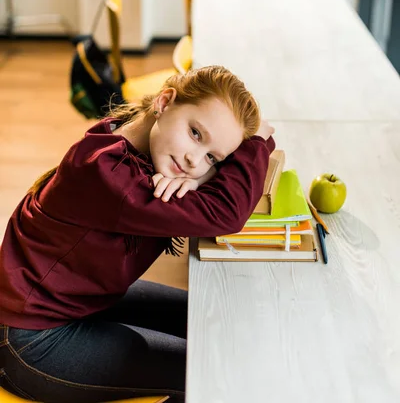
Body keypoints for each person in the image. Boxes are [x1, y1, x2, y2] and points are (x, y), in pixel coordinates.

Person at [0, 65, 275, 403]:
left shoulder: (129, 137)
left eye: (212, 158)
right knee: (211, 371)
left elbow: (216, 199)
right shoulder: (110, 177)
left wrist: (199, 179)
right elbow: (226, 213)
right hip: (32, 341)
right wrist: (259, 141)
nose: (193, 160)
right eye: (195, 133)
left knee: (216, 320)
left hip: (79, 303)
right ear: (164, 101)